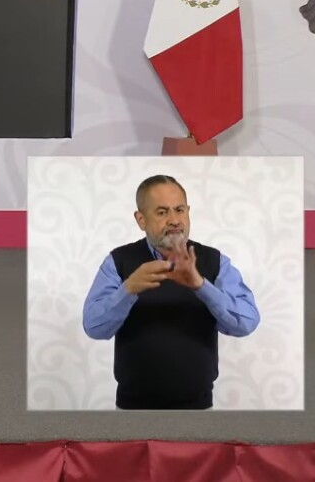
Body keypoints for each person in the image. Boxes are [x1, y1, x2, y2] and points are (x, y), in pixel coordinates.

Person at [82, 174, 260, 410]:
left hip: (198, 409)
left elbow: (247, 323)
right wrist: (128, 289)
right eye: (162, 212)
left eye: (179, 210)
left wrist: (201, 286)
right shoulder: (118, 261)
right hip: (131, 409)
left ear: (188, 212)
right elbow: (93, 327)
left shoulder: (214, 261)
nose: (175, 220)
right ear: (141, 219)